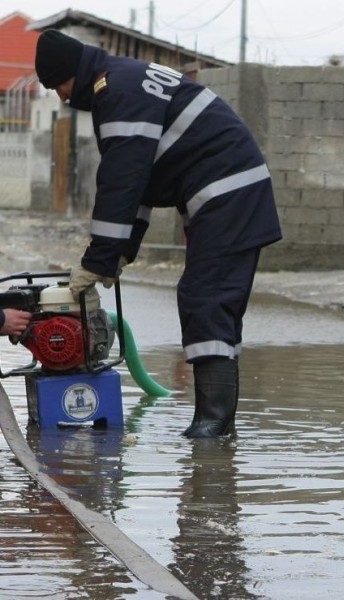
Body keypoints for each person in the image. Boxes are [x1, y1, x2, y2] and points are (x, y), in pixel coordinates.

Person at [34, 29, 282, 438]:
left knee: (206, 297)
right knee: (210, 299)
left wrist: (97, 259)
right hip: (229, 191)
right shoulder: (120, 80)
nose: (60, 97)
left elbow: (122, 181)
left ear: (71, 73)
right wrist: (119, 254)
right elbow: (143, 184)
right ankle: (219, 429)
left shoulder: (115, 92)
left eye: (57, 86)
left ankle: (212, 428)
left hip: (228, 192)